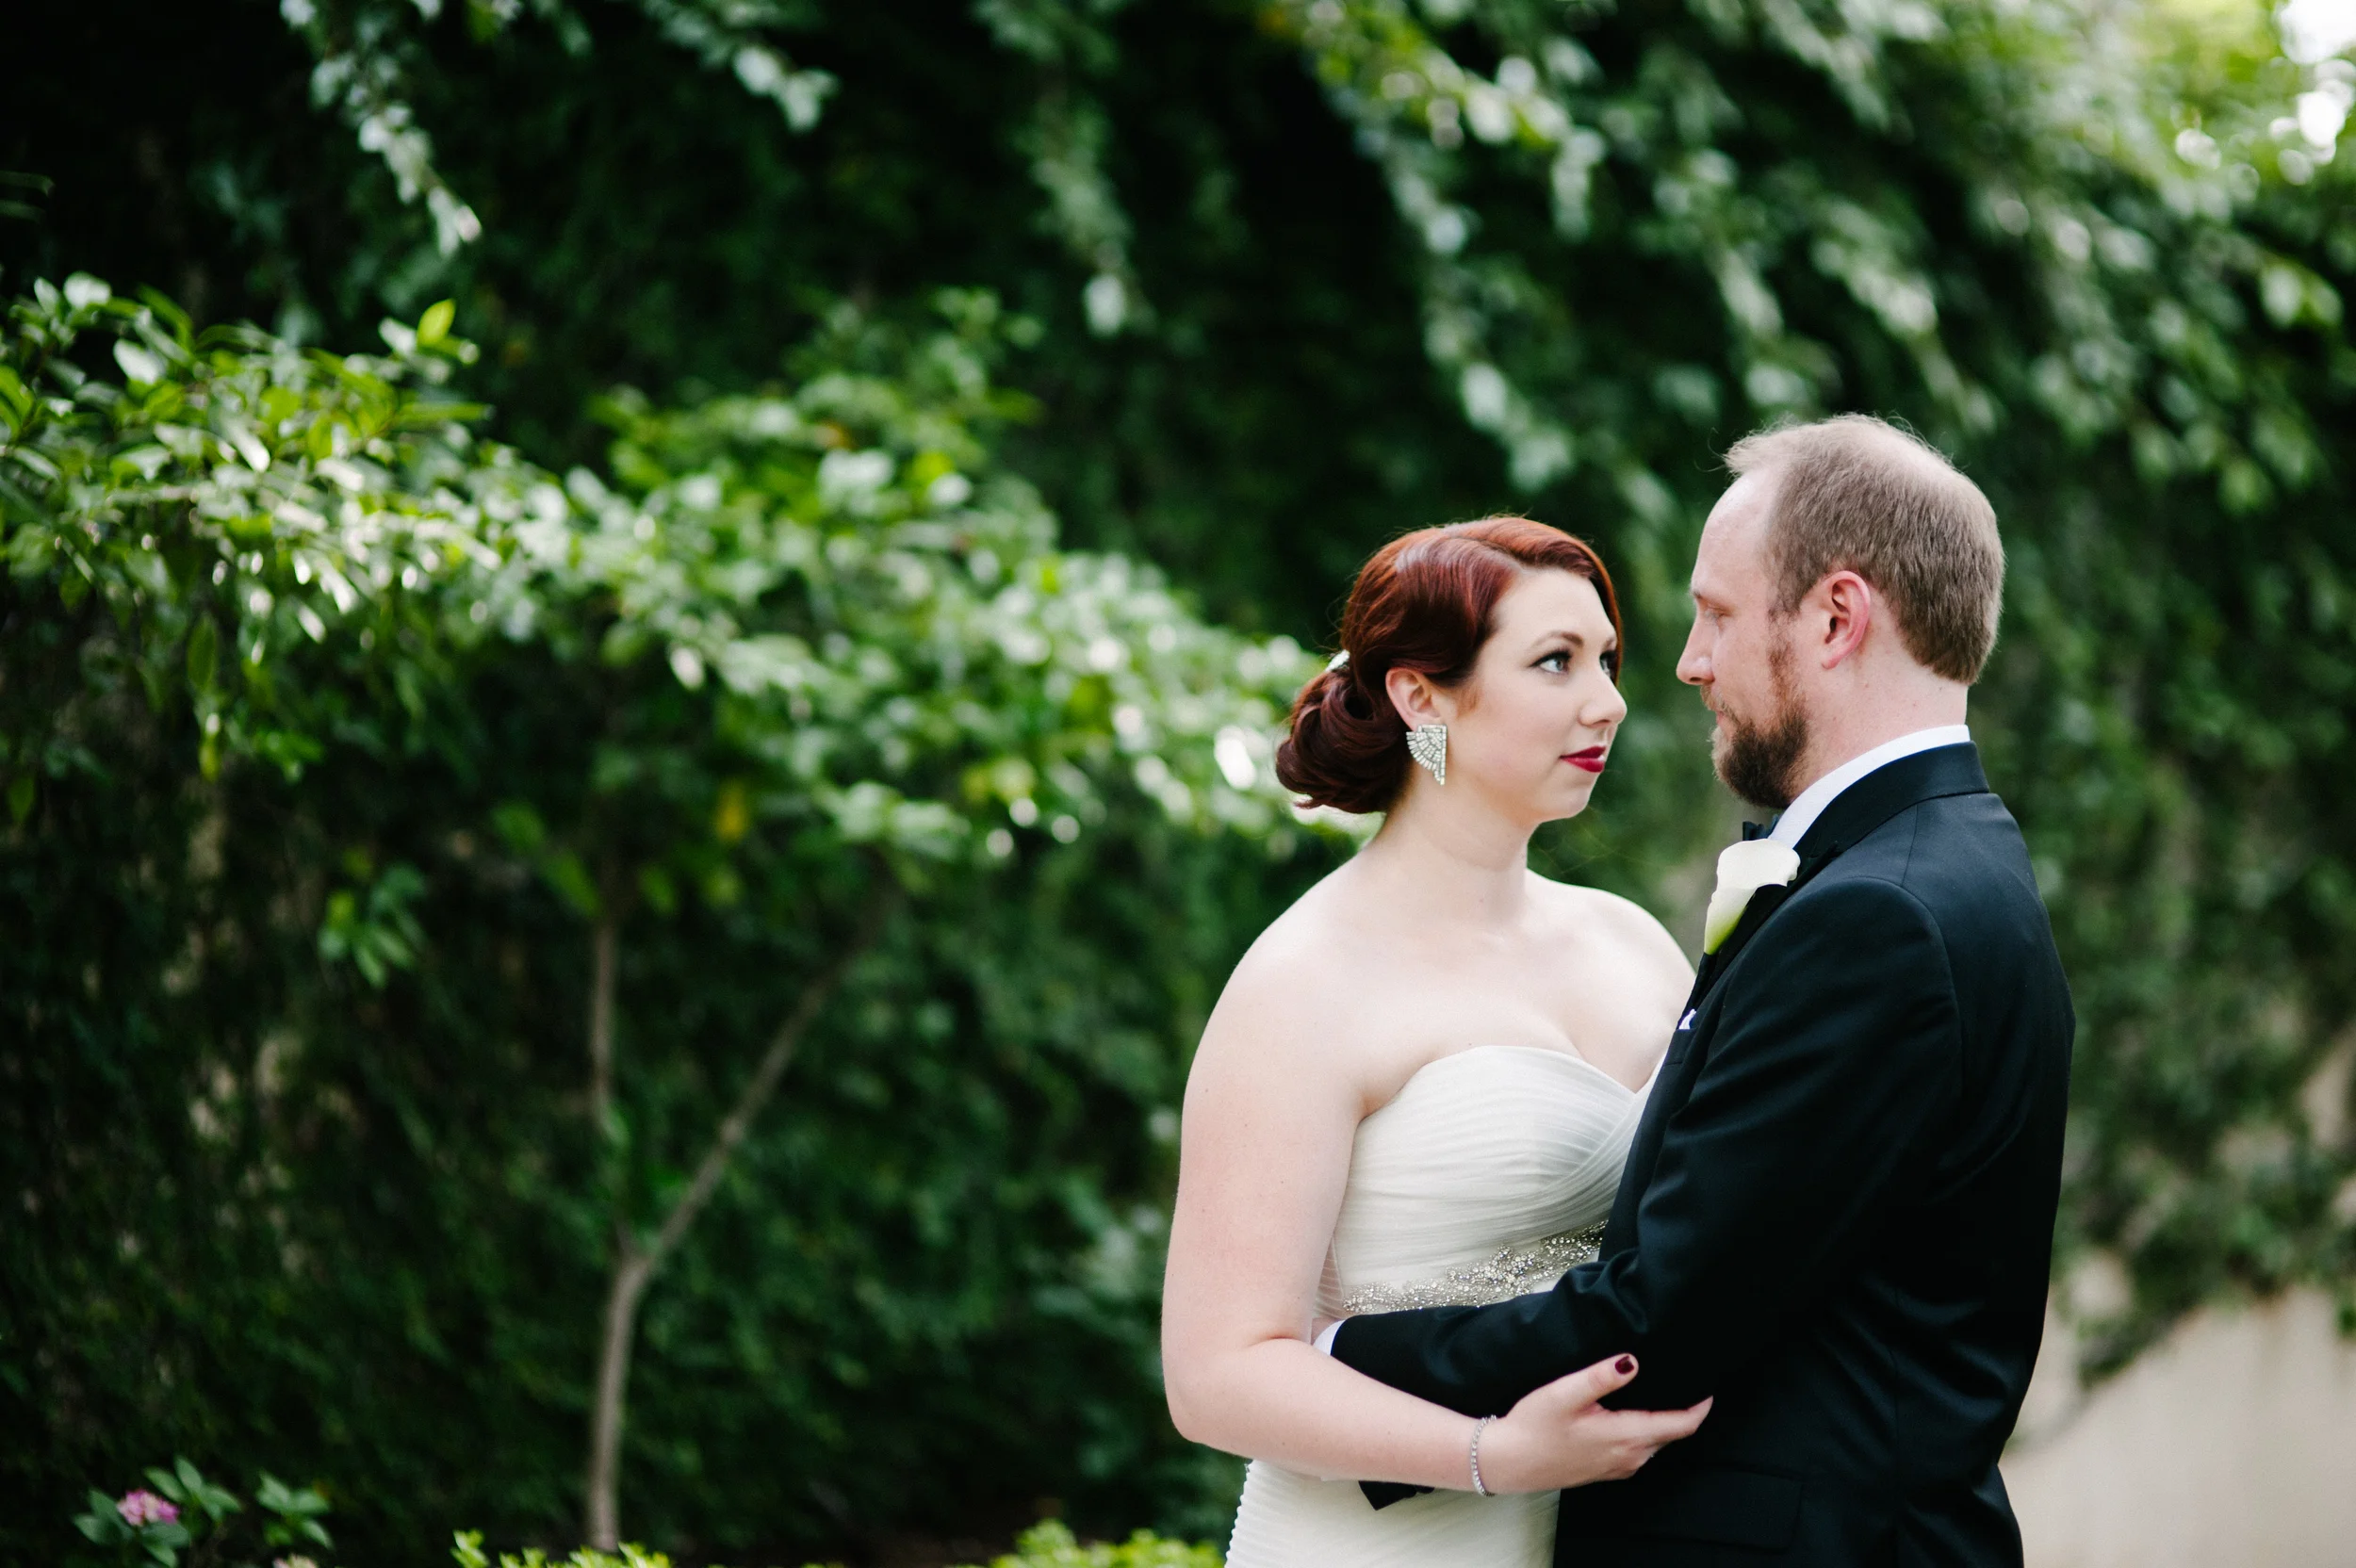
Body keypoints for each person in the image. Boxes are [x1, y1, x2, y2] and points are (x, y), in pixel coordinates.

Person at [1326, 416, 2075, 1566]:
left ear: (1835, 617)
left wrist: (1334, 1363)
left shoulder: (1878, 916)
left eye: (1716, 613)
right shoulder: (1952, 863)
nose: (1686, 661)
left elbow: (1658, 1319)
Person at [1161, 514, 1713, 1567]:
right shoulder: (1303, 981)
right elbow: (1215, 1373)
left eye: (1605, 659)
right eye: (1554, 661)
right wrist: (1491, 1454)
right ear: (1421, 697)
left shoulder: (1632, 943)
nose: (1607, 700)